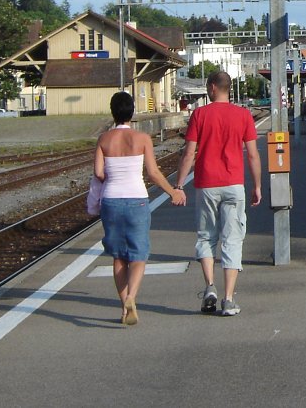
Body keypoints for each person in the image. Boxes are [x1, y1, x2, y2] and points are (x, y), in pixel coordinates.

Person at [94, 91, 186, 326]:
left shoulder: (104, 139)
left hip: (111, 201)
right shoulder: (142, 138)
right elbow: (152, 173)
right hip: (137, 200)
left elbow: (98, 173)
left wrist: (113, 177)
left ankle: (124, 303)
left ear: (113, 112)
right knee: (138, 254)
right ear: (132, 112)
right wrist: (173, 191)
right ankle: (132, 297)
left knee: (118, 257)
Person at [175, 71, 262, 316]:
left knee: (206, 237)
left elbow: (189, 154)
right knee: (232, 240)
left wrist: (179, 185)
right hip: (234, 184)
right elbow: (253, 154)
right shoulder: (243, 115)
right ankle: (229, 299)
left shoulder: (200, 114)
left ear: (213, 87)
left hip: (206, 185)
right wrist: (256, 186)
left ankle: (210, 286)